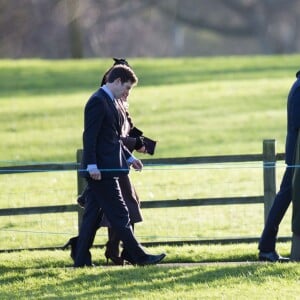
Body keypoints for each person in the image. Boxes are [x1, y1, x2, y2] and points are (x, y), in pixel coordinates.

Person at [64, 58, 154, 265]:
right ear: (118, 81)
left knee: (92, 218)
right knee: (121, 213)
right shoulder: (98, 101)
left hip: (109, 168)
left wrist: (130, 158)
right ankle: (139, 256)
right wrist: (92, 165)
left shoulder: (110, 101)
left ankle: (80, 259)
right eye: (127, 87)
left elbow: (113, 139)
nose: (127, 92)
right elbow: (90, 137)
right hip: (102, 171)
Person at [258, 70, 300, 262]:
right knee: (285, 196)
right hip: (297, 156)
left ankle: (266, 247)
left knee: (285, 196)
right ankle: (266, 247)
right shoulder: (299, 90)